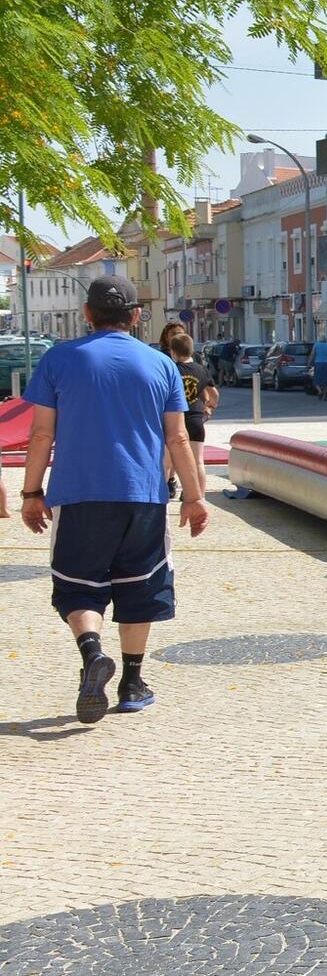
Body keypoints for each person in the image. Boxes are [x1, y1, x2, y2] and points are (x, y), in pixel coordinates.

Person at [18, 276, 210, 723]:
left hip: (78, 493)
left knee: (79, 584)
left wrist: (31, 492)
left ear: (87, 314)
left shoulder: (59, 359)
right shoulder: (161, 365)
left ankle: (91, 653)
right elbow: (178, 437)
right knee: (140, 585)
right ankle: (132, 682)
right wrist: (195, 497)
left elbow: (41, 433)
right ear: (137, 316)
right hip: (143, 495)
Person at [168, 333, 217, 503]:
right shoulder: (201, 369)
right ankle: (199, 497)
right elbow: (214, 393)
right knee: (197, 462)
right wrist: (210, 406)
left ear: (173, 352)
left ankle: (163, 496)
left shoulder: (171, 369)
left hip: (174, 419)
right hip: (195, 418)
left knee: (167, 462)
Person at [311, 332, 327, 401]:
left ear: (318, 339)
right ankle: (324, 396)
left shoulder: (316, 345)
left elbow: (312, 354)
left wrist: (309, 362)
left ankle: (319, 391)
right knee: (326, 381)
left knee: (316, 380)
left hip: (318, 363)